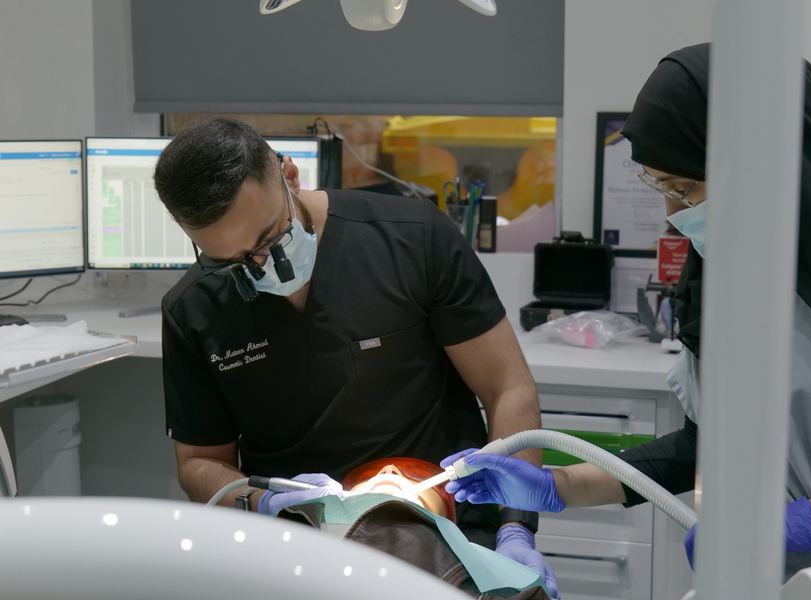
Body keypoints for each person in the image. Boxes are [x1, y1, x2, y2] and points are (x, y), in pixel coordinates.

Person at [442, 43, 811, 575]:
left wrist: (802, 524)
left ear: (765, 167)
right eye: (660, 187)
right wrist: (561, 486)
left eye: (685, 189)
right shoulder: (721, 281)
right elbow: (699, 446)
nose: (671, 214)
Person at [153, 118, 557, 595]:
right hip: (299, 545)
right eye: (231, 264)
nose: (262, 269)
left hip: (446, 530)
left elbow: (507, 387)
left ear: (290, 176)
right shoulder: (193, 309)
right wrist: (263, 504)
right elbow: (200, 462)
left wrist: (514, 526)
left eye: (269, 241)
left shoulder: (411, 239)